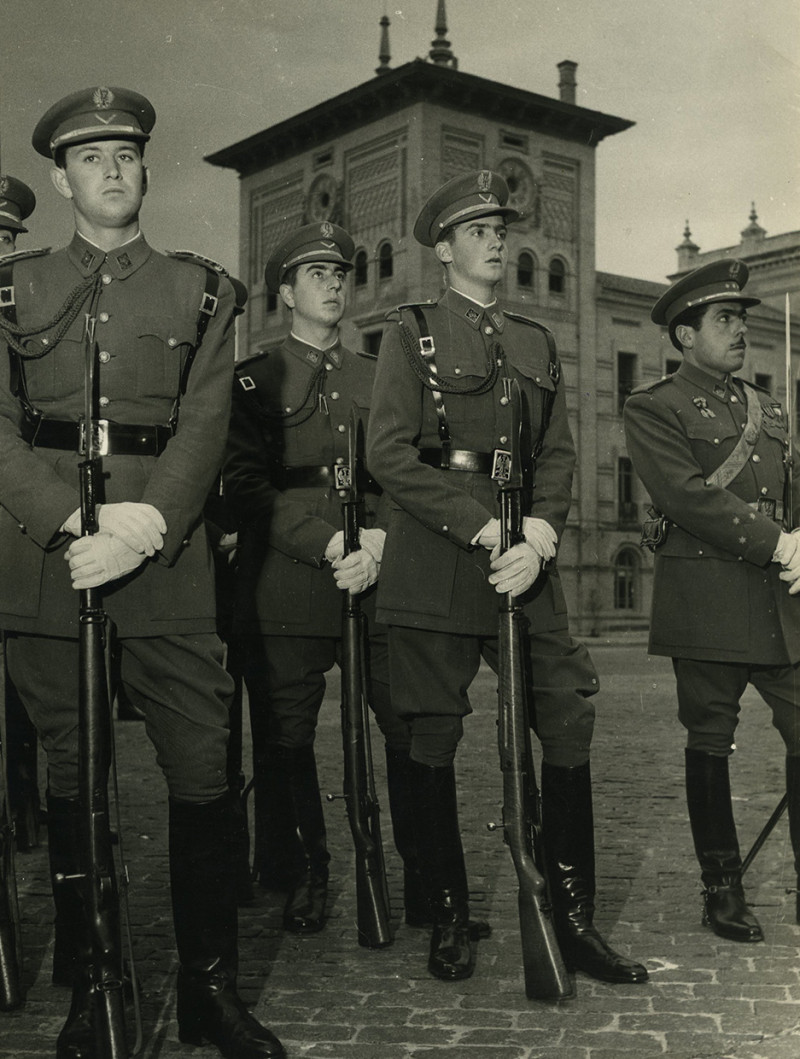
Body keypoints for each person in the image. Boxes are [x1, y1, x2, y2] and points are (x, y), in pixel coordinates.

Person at [0, 87, 284, 1058]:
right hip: (51, 563)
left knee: (203, 770)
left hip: (167, 565)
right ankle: (99, 988)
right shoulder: (13, 292)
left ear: (146, 166)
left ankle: (209, 990)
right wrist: (71, 517)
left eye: (125, 153)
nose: (111, 171)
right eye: (90, 158)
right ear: (60, 176)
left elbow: (206, 424)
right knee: (77, 782)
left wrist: (147, 524)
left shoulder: (204, 292)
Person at [365, 170, 648, 985]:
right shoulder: (411, 331)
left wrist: (542, 531)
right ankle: (448, 913)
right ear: (445, 247)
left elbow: (557, 451)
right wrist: (483, 524)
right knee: (432, 734)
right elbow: (389, 451)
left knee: (566, 716)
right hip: (438, 556)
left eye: (500, 226)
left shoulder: (535, 340)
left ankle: (574, 920)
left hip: (526, 559)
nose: (497, 239)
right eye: (479, 228)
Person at [224, 223, 423, 938]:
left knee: (404, 723)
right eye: (315, 273)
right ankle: (306, 869)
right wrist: (330, 540)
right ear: (284, 292)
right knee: (288, 735)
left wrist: (377, 539)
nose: (334, 283)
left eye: (341, 272)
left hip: (376, 571)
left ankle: (423, 878)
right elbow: (246, 486)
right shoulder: (252, 378)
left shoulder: (381, 374)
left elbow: (409, 473)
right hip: (288, 577)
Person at [624, 259, 800, 944]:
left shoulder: (771, 409)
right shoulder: (654, 407)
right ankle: (721, 886)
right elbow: (687, 497)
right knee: (711, 740)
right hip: (706, 600)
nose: (740, 331)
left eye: (742, 319)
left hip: (779, 606)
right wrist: (780, 545)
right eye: (724, 319)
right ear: (683, 335)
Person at [0, 174, 44, 853]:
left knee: (28, 686)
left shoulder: (33, 329)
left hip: (22, 523)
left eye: (8, 239)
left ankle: (26, 809)